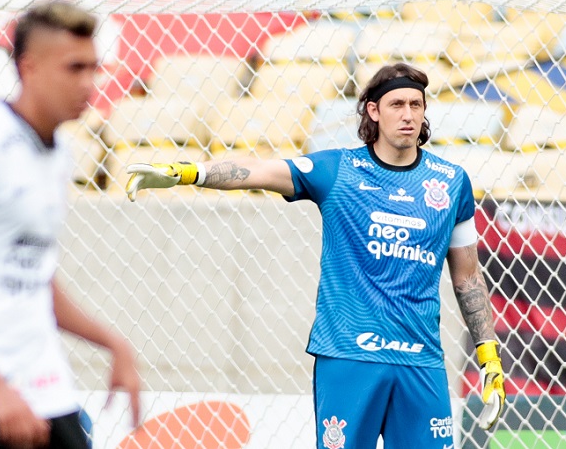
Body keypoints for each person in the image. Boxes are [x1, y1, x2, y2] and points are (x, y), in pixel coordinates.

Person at [125, 62, 505, 448]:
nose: (408, 115)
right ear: (373, 110)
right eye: (396, 105)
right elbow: (259, 170)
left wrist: (488, 356)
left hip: (420, 360)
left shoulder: (452, 182)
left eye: (415, 105)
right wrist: (189, 172)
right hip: (348, 356)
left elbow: (467, 277)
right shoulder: (338, 169)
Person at [0, 0, 141, 449]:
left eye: (94, 68)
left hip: (44, 383)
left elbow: (35, 279)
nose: (89, 83)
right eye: (75, 68)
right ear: (29, 68)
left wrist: (114, 344)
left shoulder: (59, 154)